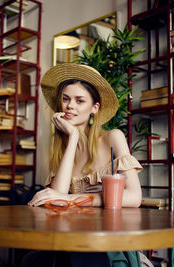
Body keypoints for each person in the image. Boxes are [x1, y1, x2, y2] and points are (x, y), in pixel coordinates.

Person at [28, 63, 142, 208]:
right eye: (65, 99)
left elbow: (134, 197)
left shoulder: (113, 137)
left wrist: (72, 198)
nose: (70, 105)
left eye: (79, 101)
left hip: (109, 227)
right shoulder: (62, 149)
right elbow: (56, 199)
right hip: (77, 226)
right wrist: (73, 137)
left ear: (95, 108)